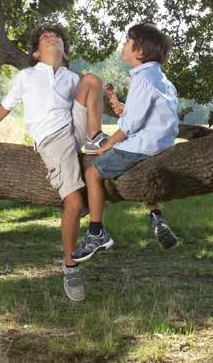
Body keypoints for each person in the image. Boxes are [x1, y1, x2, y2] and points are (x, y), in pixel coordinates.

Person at [0, 25, 109, 302]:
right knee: (75, 203)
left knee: (92, 80)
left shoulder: (71, 77)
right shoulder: (26, 76)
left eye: (57, 37)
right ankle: (70, 264)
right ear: (36, 53)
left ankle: (94, 139)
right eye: (45, 37)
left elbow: (91, 101)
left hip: (75, 129)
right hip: (53, 139)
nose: (52, 38)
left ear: (64, 51)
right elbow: (6, 106)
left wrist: (120, 106)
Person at [71, 23, 179, 263]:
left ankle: (96, 232)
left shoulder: (142, 79)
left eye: (128, 40)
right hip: (162, 143)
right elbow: (143, 113)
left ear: (139, 51)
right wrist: (117, 103)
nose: (123, 44)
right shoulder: (160, 78)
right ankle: (156, 216)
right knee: (137, 168)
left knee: (92, 173)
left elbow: (131, 125)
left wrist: (108, 145)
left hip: (144, 144)